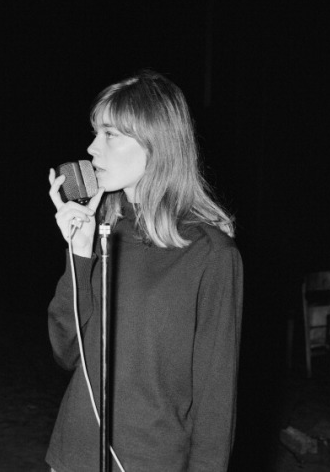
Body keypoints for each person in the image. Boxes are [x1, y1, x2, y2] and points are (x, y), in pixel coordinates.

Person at [46, 70, 243, 471]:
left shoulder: (211, 254)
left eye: (109, 135)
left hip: (150, 460)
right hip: (73, 452)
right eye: (94, 133)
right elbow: (66, 352)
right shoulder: (102, 233)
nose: (91, 147)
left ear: (156, 144)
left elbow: (216, 400)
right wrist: (78, 255)